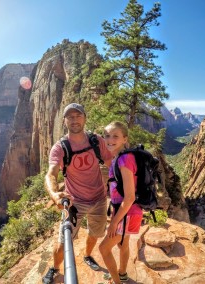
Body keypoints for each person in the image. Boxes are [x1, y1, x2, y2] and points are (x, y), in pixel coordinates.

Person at [42, 103, 113, 284]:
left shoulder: (96, 141)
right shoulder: (60, 148)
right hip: (74, 202)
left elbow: (111, 161)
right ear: (64, 120)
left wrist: (121, 184)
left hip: (99, 198)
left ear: (84, 118)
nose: (74, 120)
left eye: (78, 116)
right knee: (63, 241)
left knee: (95, 233)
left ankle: (88, 255)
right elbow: (51, 174)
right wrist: (54, 194)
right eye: (70, 117)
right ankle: (55, 268)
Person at [99, 121, 143, 284]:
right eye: (107, 136)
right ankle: (122, 274)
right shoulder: (121, 158)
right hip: (129, 213)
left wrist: (113, 223)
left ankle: (117, 282)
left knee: (103, 249)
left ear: (125, 139)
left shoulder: (124, 160)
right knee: (123, 245)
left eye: (115, 136)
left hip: (127, 214)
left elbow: (129, 197)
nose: (110, 139)